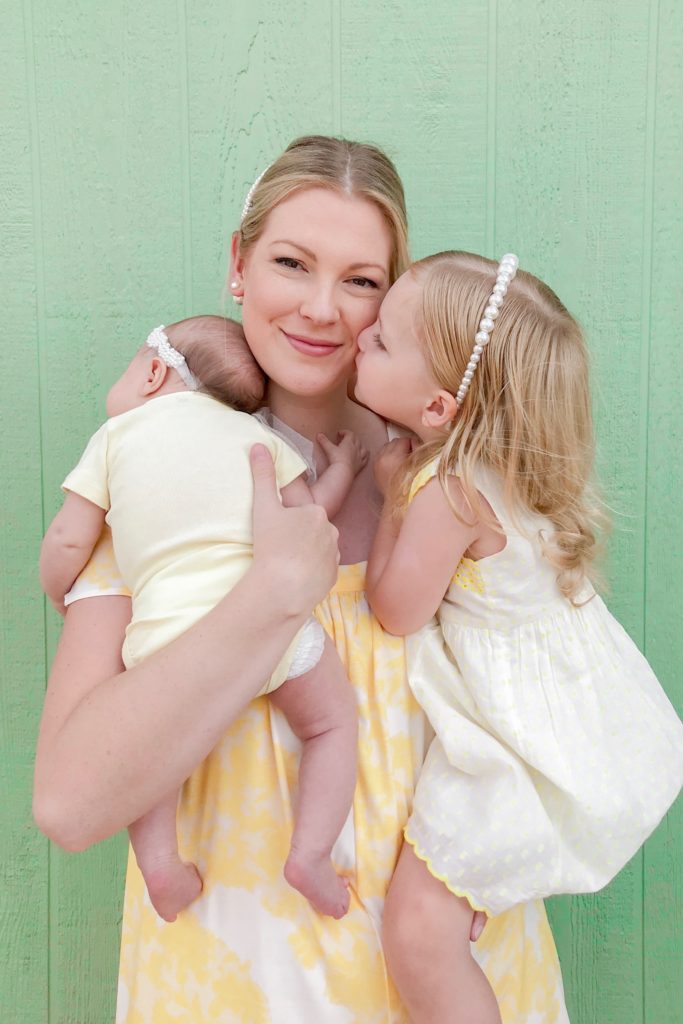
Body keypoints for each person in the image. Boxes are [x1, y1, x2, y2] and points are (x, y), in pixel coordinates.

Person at [34, 136, 571, 1023]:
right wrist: (269, 594)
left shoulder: (457, 486)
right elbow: (68, 806)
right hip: (230, 985)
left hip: (450, 986)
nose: (322, 309)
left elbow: (562, 694)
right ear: (239, 265)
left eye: (361, 280)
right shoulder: (162, 477)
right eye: (291, 263)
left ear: (396, 297)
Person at [356, 250, 683, 1023]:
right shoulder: (504, 470)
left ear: (437, 410)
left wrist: (387, 502)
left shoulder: (447, 493)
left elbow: (395, 610)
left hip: (513, 747)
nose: (361, 330)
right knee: (444, 911)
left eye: (382, 339)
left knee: (417, 933)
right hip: (566, 714)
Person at [40, 313, 362, 922]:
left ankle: (162, 867)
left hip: (167, 640)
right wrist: (340, 472)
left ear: (153, 371)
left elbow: (65, 541)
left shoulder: (114, 438)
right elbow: (308, 518)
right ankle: (310, 855)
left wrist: (60, 590)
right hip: (277, 635)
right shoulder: (258, 440)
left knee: (154, 755)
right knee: (331, 725)